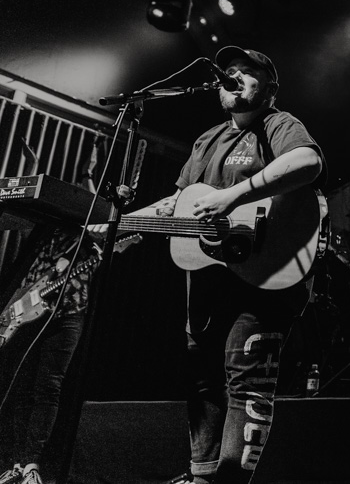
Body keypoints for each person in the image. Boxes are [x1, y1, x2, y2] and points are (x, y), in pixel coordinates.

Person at [126, 46, 326, 484]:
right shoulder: (207, 139)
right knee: (200, 377)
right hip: (209, 278)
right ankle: (202, 476)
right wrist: (124, 225)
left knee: (246, 380)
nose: (234, 76)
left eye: (247, 71)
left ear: (270, 88)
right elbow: (178, 202)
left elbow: (307, 162)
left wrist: (232, 197)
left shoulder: (278, 124)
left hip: (266, 275)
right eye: (229, 71)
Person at [0, 226, 102, 484]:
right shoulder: (49, 233)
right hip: (28, 314)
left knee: (48, 388)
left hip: (68, 314)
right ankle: (17, 463)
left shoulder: (89, 238)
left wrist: (97, 244)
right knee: (22, 387)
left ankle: (32, 464)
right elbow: (30, 276)